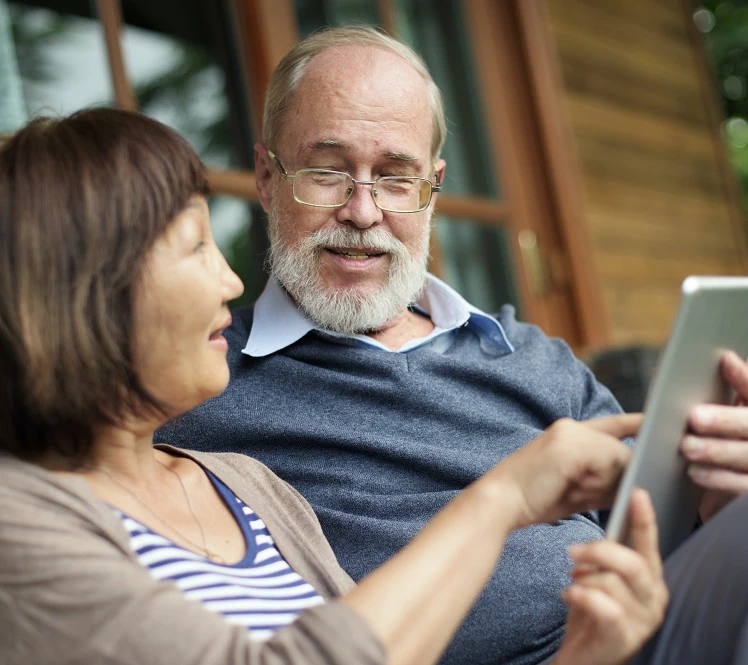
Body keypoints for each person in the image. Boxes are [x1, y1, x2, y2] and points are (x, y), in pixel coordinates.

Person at [156, 26, 748, 665]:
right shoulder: (205, 378)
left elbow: (658, 531)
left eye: (395, 177)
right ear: (268, 178)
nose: (362, 210)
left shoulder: (529, 356)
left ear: (431, 187)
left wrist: (723, 497)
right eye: (327, 172)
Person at [0, 108, 669, 665]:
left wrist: (584, 656)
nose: (232, 283)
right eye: (196, 246)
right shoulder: (19, 520)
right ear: (84, 291)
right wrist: (502, 498)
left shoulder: (246, 487)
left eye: (397, 177)